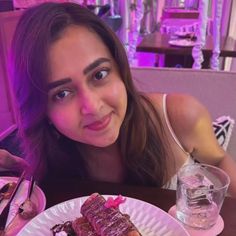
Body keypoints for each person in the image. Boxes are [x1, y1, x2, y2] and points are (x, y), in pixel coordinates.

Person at [1, 2, 236, 197]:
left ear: (120, 69)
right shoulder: (53, 147)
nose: (92, 106)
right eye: (62, 93)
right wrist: (18, 166)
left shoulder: (181, 116)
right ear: (44, 112)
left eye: (99, 74)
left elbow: (219, 161)